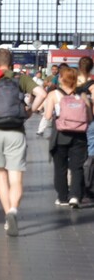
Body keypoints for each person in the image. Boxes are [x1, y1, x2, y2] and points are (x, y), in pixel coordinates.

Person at [0, 48, 46, 237]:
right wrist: (30, 112)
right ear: (11, 62)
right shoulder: (20, 78)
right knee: (16, 177)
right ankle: (14, 210)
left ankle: (7, 215)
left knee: (1, 175)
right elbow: (42, 94)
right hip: (16, 131)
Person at [42, 64, 89, 208]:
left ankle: (62, 197)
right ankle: (75, 196)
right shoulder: (82, 95)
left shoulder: (53, 95)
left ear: (61, 79)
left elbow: (48, 116)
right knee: (77, 167)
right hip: (79, 135)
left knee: (60, 167)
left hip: (60, 134)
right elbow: (90, 117)